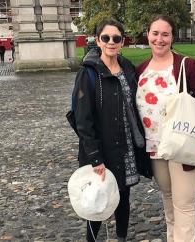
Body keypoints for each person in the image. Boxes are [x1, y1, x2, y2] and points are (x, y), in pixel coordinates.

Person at [71, 18, 152, 242]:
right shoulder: (88, 73)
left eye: (116, 38)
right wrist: (95, 157)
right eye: (105, 38)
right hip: (101, 149)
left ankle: (121, 238)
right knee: (97, 200)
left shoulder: (127, 68)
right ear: (97, 40)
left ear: (122, 42)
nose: (111, 42)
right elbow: (83, 120)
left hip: (125, 145)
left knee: (122, 197)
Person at [136, 14, 195, 242]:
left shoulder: (187, 66)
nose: (159, 39)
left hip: (184, 143)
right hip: (155, 147)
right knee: (168, 200)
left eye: (165, 34)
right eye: (155, 33)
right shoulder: (140, 71)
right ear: (148, 35)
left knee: (184, 206)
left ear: (172, 37)